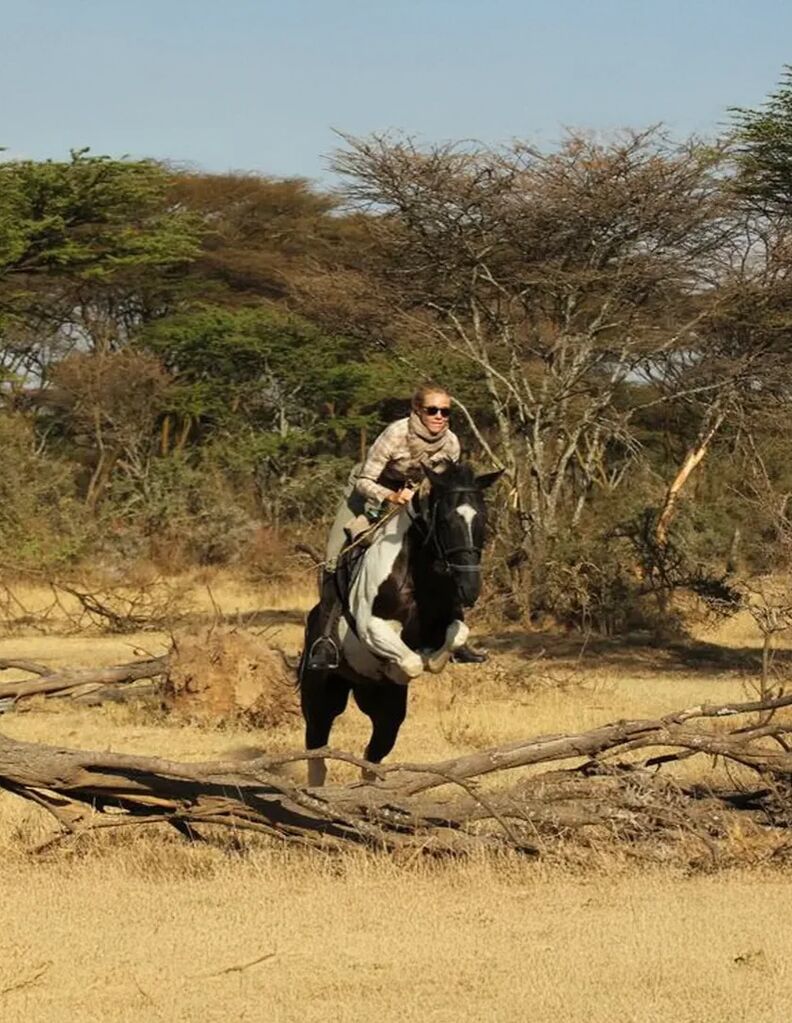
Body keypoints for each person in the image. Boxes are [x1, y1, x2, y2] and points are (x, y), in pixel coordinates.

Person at [307, 383, 488, 671]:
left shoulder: (451, 442)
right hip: (369, 494)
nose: (439, 416)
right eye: (433, 410)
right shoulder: (395, 433)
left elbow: (444, 487)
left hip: (415, 499)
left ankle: (454, 633)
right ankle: (326, 638)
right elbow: (365, 481)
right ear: (417, 410)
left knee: (441, 551)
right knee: (333, 555)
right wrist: (391, 496)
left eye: (445, 411)